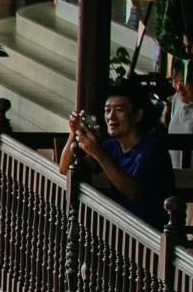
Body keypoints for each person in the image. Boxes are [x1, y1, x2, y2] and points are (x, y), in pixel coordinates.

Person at [59, 87, 176, 228]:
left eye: (119, 110)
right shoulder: (112, 146)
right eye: (107, 110)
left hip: (150, 232)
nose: (111, 117)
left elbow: (132, 190)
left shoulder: (152, 149)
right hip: (123, 227)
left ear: (137, 116)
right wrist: (74, 133)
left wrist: (98, 153)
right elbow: (66, 170)